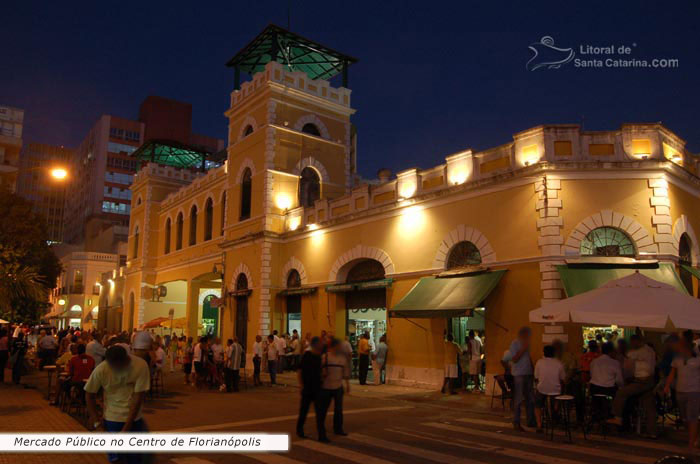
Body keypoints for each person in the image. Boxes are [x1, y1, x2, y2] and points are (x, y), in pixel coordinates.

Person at [85, 345, 150, 464]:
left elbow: (138, 398)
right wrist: (96, 421)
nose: (118, 368)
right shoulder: (102, 369)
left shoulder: (140, 365)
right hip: (112, 419)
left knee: (134, 458)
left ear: (126, 359)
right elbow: (89, 394)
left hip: (134, 419)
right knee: (117, 458)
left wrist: (126, 427)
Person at [608, 334, 658, 436]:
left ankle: (618, 418)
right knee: (649, 405)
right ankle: (652, 431)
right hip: (649, 380)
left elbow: (629, 357)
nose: (631, 344)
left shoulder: (640, 352)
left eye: (632, 342)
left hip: (642, 380)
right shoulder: (650, 350)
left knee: (621, 393)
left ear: (637, 341)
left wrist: (621, 351)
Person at [664, 331, 700, 454]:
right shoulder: (677, 357)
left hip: (694, 391)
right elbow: (672, 373)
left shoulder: (698, 357)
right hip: (680, 391)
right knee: (685, 419)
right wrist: (667, 386)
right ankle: (695, 435)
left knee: (692, 417)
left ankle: (691, 444)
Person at [502, 327, 536, 431]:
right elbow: (514, 359)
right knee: (518, 399)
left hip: (528, 373)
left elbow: (528, 357)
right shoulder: (515, 343)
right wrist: (523, 349)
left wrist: (532, 369)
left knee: (530, 399)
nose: (528, 336)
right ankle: (516, 422)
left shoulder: (527, 343)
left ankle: (531, 421)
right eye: (527, 334)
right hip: (519, 375)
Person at [319, 338, 350, 438]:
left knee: (338, 410)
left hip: (338, 387)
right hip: (326, 387)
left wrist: (347, 384)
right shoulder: (325, 357)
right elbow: (319, 370)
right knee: (323, 409)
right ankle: (321, 428)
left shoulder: (342, 358)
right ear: (332, 347)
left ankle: (338, 428)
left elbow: (345, 372)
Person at [296, 337, 325, 441]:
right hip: (308, 387)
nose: (322, 345)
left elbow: (321, 371)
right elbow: (300, 371)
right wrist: (301, 385)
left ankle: (322, 435)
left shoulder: (320, 356)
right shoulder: (307, 356)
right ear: (316, 345)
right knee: (304, 410)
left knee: (320, 412)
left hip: (317, 387)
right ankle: (299, 429)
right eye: (320, 344)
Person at [534, 345, 565, 433]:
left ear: (544, 353)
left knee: (537, 405)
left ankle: (539, 425)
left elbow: (536, 377)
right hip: (555, 389)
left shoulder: (539, 362)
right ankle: (555, 410)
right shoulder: (559, 363)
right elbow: (562, 378)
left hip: (542, 388)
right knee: (558, 396)